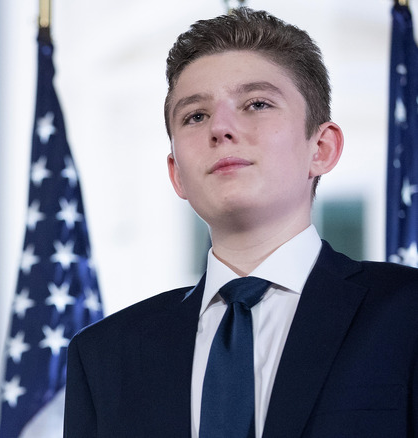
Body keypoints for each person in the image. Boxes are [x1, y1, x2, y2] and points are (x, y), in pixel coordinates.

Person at [64, 7, 418, 438]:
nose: (221, 128)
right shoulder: (104, 355)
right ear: (177, 173)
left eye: (257, 104)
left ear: (321, 147)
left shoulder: (407, 314)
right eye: (196, 115)